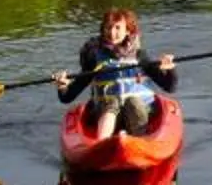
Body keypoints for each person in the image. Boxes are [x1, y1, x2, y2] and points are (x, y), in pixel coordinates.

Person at [53, 7, 177, 142]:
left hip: (139, 111)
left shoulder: (140, 56)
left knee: (133, 101)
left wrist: (169, 69)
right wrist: (62, 86)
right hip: (106, 113)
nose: (112, 32)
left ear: (128, 31)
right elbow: (68, 96)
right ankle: (102, 144)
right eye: (108, 27)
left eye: (118, 28)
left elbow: (170, 87)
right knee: (110, 101)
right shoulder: (95, 57)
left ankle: (141, 142)